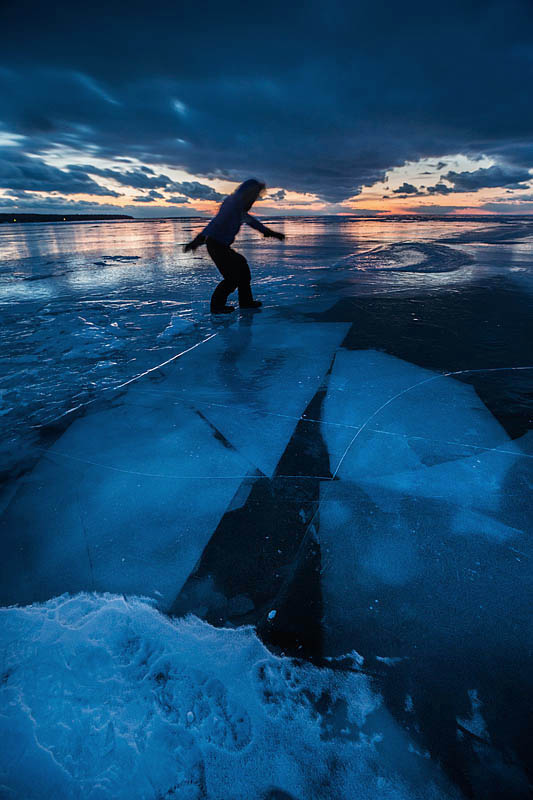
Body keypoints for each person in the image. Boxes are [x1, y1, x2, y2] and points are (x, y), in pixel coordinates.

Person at [183, 178, 285, 313]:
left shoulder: (239, 208)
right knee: (231, 278)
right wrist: (196, 241)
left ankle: (246, 302)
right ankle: (217, 307)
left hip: (223, 246)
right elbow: (215, 223)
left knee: (242, 267)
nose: (255, 198)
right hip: (216, 245)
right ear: (246, 193)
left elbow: (252, 221)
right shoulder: (231, 204)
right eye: (254, 194)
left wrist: (269, 232)